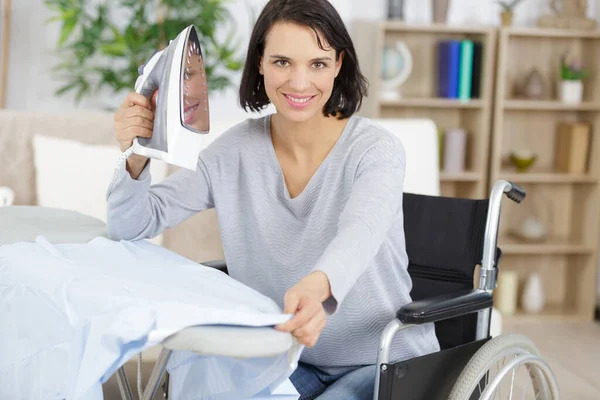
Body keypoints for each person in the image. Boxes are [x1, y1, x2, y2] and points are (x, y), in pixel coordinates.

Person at [108, 0, 440, 399]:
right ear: (260, 64)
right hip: (286, 356)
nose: (299, 83)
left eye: (317, 64)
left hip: (383, 359)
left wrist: (320, 288)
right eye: (282, 62)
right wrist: (137, 153)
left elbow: (362, 230)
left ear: (338, 64)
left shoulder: (375, 151)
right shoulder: (233, 153)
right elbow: (131, 223)